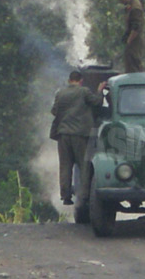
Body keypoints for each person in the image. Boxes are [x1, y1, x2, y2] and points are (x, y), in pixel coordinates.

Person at [51, 71, 106, 206]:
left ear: (69, 80)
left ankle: (66, 196)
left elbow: (54, 111)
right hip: (80, 134)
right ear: (80, 81)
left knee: (65, 165)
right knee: (84, 165)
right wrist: (100, 91)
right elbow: (97, 102)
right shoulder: (84, 92)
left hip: (63, 134)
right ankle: (85, 195)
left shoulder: (60, 93)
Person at [113, 0, 145, 73]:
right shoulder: (131, 4)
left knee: (133, 64)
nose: (120, 2)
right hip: (133, 39)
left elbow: (136, 27)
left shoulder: (135, 7)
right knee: (129, 63)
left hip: (135, 41)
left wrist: (129, 40)